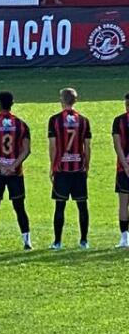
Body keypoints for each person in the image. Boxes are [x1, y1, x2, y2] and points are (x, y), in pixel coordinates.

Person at [0, 90, 32, 252]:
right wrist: (14, 165)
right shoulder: (22, 125)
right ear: (12, 103)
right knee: (19, 206)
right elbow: (26, 150)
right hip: (16, 173)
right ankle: (27, 241)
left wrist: (0, 165)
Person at [48, 87, 92, 250]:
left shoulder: (54, 120)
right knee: (82, 205)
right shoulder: (84, 120)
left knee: (60, 205)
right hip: (78, 168)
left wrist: (52, 166)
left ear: (62, 100)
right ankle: (84, 241)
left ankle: (57, 242)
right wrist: (86, 165)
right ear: (75, 100)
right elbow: (87, 146)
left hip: (62, 169)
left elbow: (53, 146)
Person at [112, 93, 129, 248]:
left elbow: (117, 146)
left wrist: (125, 165)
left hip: (123, 169)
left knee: (123, 204)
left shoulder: (119, 121)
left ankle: (124, 239)